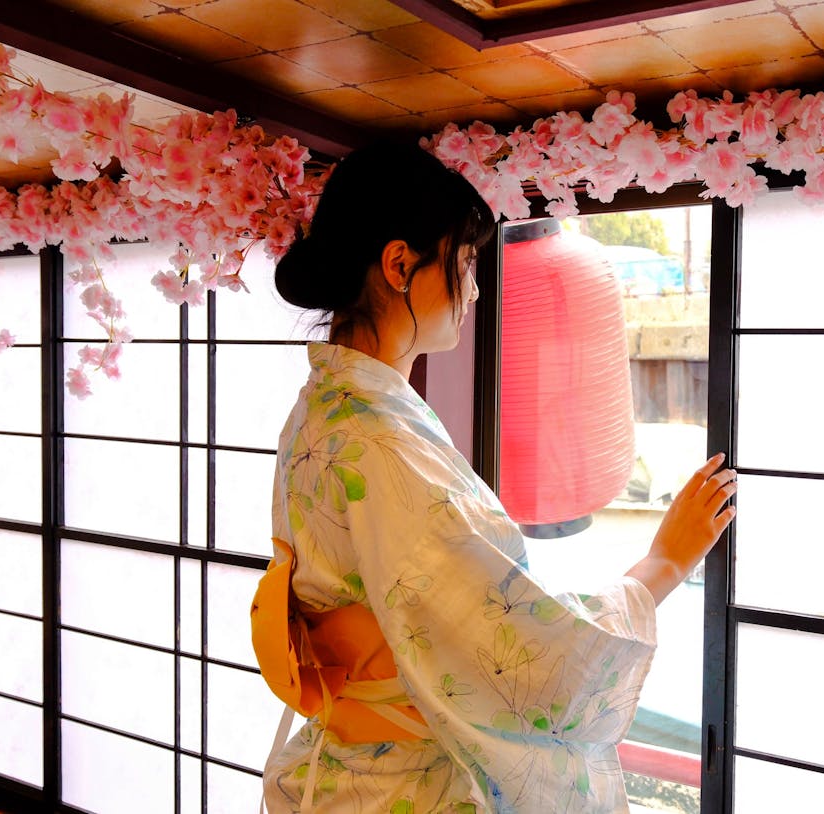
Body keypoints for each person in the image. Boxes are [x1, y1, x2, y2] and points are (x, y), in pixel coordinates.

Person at [253, 141, 737, 814]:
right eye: (465, 261)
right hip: (398, 787)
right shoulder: (380, 444)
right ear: (400, 264)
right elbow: (524, 649)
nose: (476, 287)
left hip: (346, 767)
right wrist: (662, 564)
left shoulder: (326, 406)